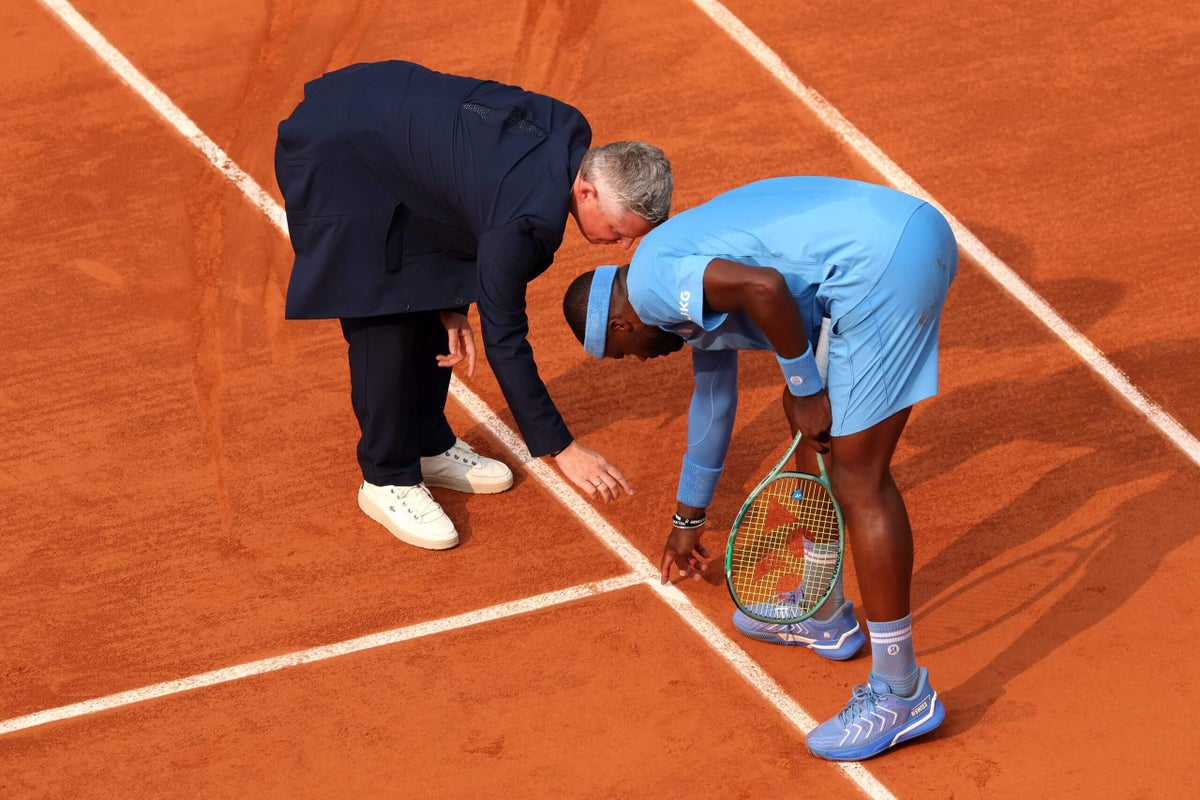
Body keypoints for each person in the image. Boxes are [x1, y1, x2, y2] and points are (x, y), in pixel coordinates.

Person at [562, 176, 957, 761]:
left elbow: (765, 286)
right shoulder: (678, 285)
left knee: (858, 476)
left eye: (628, 355)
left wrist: (802, 384)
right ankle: (823, 614)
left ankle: (900, 692)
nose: (641, 361)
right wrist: (688, 517)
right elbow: (714, 408)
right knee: (810, 441)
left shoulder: (650, 285)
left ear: (620, 325)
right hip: (895, 239)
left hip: (880, 266)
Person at [274, 60, 672, 550]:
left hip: (388, 130)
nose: (622, 248)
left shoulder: (569, 130)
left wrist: (454, 298)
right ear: (587, 191)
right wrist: (564, 449)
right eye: (619, 232)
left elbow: (466, 193)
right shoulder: (522, 225)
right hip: (338, 155)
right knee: (384, 306)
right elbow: (506, 342)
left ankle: (424, 443)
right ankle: (387, 476)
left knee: (434, 296)